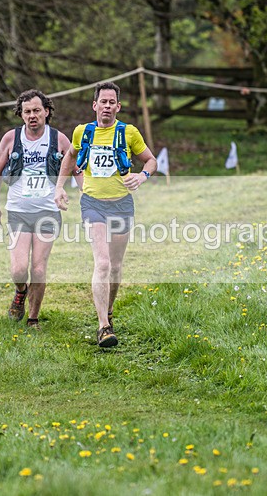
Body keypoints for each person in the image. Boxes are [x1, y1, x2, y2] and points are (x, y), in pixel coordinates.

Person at [54, 81, 157, 347]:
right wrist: (59, 188)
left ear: (118, 107)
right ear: (95, 105)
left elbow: (151, 160)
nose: (107, 106)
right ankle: (103, 327)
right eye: (103, 102)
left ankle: (108, 310)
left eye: (112, 102)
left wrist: (142, 176)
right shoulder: (82, 132)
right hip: (93, 205)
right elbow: (69, 157)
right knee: (102, 264)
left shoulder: (129, 132)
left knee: (116, 266)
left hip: (122, 204)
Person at [0, 89, 77, 328]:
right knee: (18, 269)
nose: (32, 115)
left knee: (38, 268)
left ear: (46, 112)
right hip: (18, 211)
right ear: (21, 114)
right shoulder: (10, 138)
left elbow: (75, 168)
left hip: (47, 211)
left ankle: (33, 318)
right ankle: (20, 291)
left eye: (37, 110)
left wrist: (75, 191)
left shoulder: (58, 139)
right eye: (27, 112)